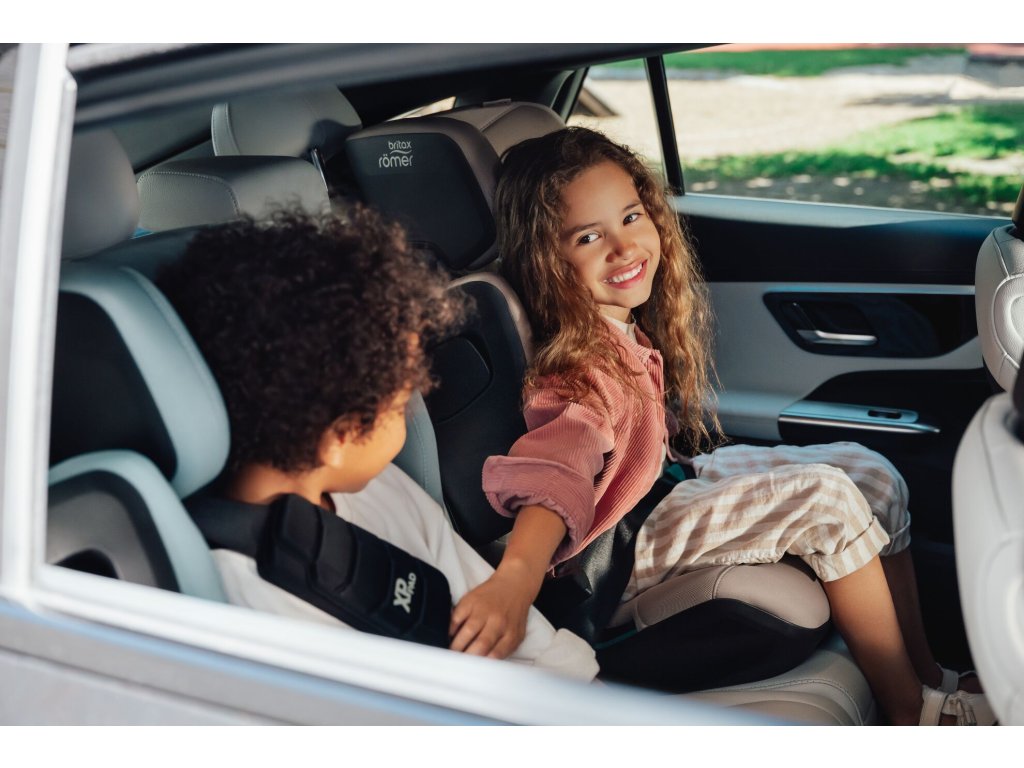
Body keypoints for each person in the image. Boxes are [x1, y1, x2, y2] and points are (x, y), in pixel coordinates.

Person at [451, 127, 992, 724]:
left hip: (662, 484)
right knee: (828, 501)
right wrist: (517, 579)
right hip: (616, 546)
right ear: (546, 260)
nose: (624, 247)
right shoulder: (577, 368)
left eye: (631, 217)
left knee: (872, 473)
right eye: (588, 236)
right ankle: (911, 711)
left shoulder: (617, 326)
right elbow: (557, 472)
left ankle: (928, 676)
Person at [157, 207, 598, 682]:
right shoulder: (249, 603)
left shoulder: (382, 488)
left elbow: (519, 633)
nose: (415, 403)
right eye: (402, 398)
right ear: (342, 437)